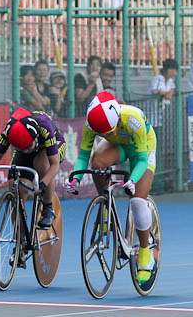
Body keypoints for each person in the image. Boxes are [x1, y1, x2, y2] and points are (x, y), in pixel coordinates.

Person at [65, 91, 158, 285]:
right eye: (103, 134)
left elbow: (140, 160)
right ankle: (106, 206)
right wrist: (75, 179)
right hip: (120, 146)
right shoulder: (92, 123)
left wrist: (132, 180)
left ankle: (145, 253)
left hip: (143, 148)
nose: (107, 135)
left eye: (109, 130)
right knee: (97, 161)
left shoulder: (134, 118)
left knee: (138, 202)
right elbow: (83, 157)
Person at [0, 109, 66, 233]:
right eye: (22, 148)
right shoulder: (7, 133)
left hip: (53, 146)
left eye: (27, 147)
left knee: (41, 163)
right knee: (14, 186)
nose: (25, 151)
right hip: (31, 145)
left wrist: (43, 183)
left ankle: (48, 207)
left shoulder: (45, 128)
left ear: (36, 136)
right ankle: (21, 239)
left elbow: (55, 165)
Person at [147, 58, 177, 125]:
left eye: (175, 70)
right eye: (171, 69)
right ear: (165, 69)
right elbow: (154, 91)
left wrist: (165, 94)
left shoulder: (171, 81)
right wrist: (164, 93)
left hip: (162, 117)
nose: (174, 72)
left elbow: (169, 95)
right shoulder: (158, 78)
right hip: (151, 116)